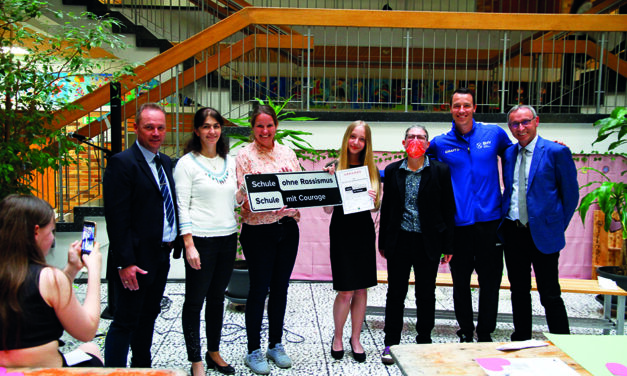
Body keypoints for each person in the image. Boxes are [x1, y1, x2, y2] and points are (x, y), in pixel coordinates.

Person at [427, 88, 512, 342]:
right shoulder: (441, 143)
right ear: (450, 109)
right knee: (460, 283)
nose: (461, 110)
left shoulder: (494, 134)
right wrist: (373, 174)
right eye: (456, 105)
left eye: (466, 105)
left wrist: (553, 147)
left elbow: (518, 154)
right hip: (459, 225)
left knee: (490, 282)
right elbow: (414, 165)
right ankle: (465, 329)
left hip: (490, 223)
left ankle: (485, 331)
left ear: (474, 107)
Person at [103, 103, 180, 367]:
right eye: (149, 127)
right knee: (125, 320)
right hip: (135, 260)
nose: (156, 133)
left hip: (161, 254)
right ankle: (113, 371)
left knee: (149, 315)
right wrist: (125, 263)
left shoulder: (165, 161)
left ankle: (141, 367)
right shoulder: (122, 163)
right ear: (135, 128)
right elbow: (117, 219)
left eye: (160, 127)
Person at [174, 107, 245, 375]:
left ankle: (213, 352)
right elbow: (182, 206)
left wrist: (242, 196)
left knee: (216, 298)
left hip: (227, 238)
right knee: (194, 301)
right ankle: (196, 360)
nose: (211, 131)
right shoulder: (187, 164)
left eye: (216, 126)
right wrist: (189, 244)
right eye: (205, 126)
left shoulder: (231, 160)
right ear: (196, 130)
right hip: (200, 242)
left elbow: (232, 200)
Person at [500, 105, 579, 340]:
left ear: (536, 121)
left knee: (550, 293)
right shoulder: (508, 154)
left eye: (525, 122)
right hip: (513, 231)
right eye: (515, 124)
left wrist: (555, 226)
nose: (520, 128)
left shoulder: (556, 152)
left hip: (543, 234)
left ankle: (563, 341)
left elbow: (570, 195)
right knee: (519, 290)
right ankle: (522, 337)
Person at [378, 125, 456, 364]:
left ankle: (424, 340)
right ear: (403, 144)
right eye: (411, 137)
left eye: (420, 137)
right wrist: (383, 242)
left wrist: (449, 245)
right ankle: (391, 342)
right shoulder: (393, 171)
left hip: (428, 241)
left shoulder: (440, 170)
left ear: (428, 144)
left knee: (426, 294)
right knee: (395, 293)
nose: (415, 141)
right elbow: (388, 209)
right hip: (399, 240)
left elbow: (448, 208)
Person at [0, 195, 103, 367]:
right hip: (45, 370)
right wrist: (94, 270)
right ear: (36, 231)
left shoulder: (44, 279)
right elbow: (87, 330)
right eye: (51, 232)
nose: (53, 239)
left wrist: (70, 269)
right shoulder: (50, 278)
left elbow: (42, 300)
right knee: (91, 348)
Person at [236, 105, 300, 375]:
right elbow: (241, 198)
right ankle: (253, 349)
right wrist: (248, 192)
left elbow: (299, 185)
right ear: (253, 128)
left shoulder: (287, 153)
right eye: (260, 126)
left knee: (281, 288)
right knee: (259, 289)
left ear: (276, 126)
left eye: (269, 125)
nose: (265, 131)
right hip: (257, 231)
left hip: (287, 229)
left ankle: (275, 344)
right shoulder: (243, 156)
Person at [323, 121, 380, 363]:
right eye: (353, 137)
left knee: (361, 288)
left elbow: (376, 206)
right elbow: (326, 210)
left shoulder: (371, 169)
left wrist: (373, 197)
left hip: (363, 232)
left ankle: (355, 339)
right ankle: (338, 337)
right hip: (342, 231)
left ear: (367, 143)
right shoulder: (333, 167)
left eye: (362, 139)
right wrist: (330, 185)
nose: (356, 142)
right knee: (345, 290)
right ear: (346, 138)